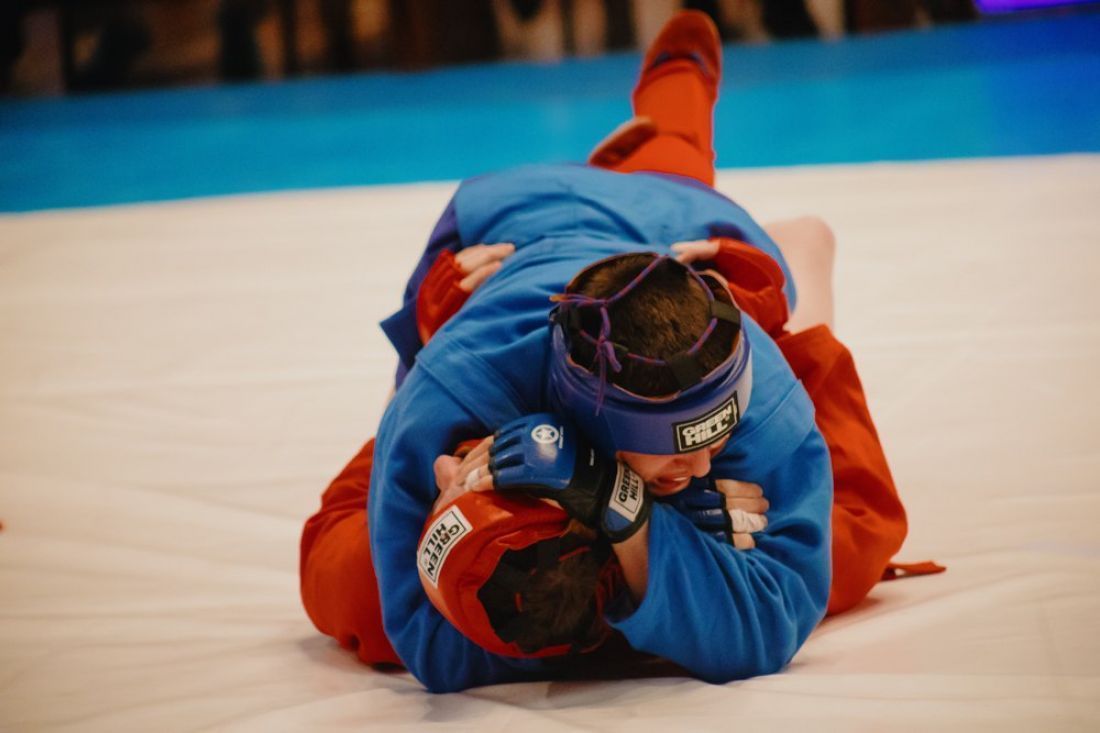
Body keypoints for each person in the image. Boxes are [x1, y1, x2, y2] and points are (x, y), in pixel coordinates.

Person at [301, 10, 931, 693]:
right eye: (679, 449)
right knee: (365, 585)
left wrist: (619, 507)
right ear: (592, 421)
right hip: (515, 236)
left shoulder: (759, 393)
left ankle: (693, 125)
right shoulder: (460, 387)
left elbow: (773, 620)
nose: (703, 468)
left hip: (665, 230)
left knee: (854, 536)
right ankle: (662, 133)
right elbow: (428, 643)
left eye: (713, 439)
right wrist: (641, 528)